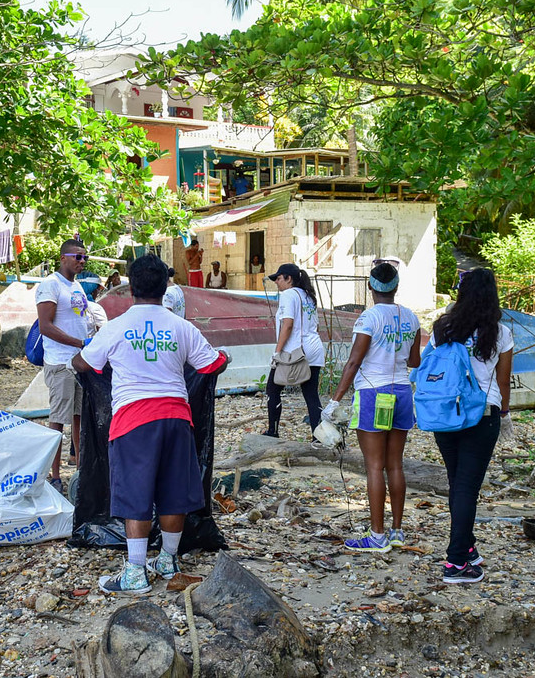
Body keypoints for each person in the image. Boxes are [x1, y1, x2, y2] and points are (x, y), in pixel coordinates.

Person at [72, 254, 229, 594]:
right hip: (177, 418)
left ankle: (134, 573)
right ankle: (169, 560)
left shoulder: (115, 327)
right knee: (173, 492)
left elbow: (82, 363)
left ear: (131, 288)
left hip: (133, 422)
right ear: (165, 286)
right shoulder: (182, 327)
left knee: (136, 494)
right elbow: (213, 364)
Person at [324, 262, 421, 554]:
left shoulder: (368, 318)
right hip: (402, 392)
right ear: (396, 287)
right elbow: (414, 361)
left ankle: (376, 535)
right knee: (395, 464)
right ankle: (397, 531)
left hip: (373, 393)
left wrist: (334, 401)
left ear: (370, 287)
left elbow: (354, 362)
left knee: (374, 466)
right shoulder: (411, 317)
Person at [427, 268, 513, 584]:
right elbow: (503, 382)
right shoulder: (500, 333)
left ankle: (467, 545)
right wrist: (504, 415)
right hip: (482, 414)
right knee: (467, 486)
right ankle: (456, 563)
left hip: (444, 411)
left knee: (457, 482)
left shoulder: (442, 328)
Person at [35, 239, 90, 491]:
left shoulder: (76, 286)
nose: (81, 261)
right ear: (62, 258)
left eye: (84, 258)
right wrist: (80, 342)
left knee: (79, 417)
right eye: (77, 257)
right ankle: (54, 476)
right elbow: (46, 326)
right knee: (58, 420)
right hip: (59, 362)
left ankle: (81, 471)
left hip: (79, 362)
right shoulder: (50, 284)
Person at [264, 264, 324, 439]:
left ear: (289, 279)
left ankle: (272, 432)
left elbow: (288, 325)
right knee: (311, 394)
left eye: (279, 278)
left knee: (272, 389)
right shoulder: (308, 295)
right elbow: (316, 324)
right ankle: (318, 436)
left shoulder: (289, 294)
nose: (276, 282)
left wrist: (277, 352)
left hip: (294, 351)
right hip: (314, 348)